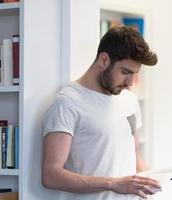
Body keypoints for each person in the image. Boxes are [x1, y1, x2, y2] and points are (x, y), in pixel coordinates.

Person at [41, 26, 161, 200]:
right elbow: (51, 175)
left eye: (135, 74)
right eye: (125, 72)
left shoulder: (130, 100)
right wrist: (112, 184)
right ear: (104, 60)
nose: (130, 82)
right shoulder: (67, 103)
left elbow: (135, 158)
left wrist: (155, 180)